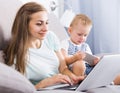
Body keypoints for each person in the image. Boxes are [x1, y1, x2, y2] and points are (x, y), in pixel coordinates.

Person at [3, 2, 85, 89]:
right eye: (39, 24)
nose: (46, 29)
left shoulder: (50, 37)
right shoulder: (17, 56)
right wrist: (45, 82)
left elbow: (63, 67)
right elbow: (22, 89)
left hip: (63, 86)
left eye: (47, 23)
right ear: (24, 25)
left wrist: (73, 77)